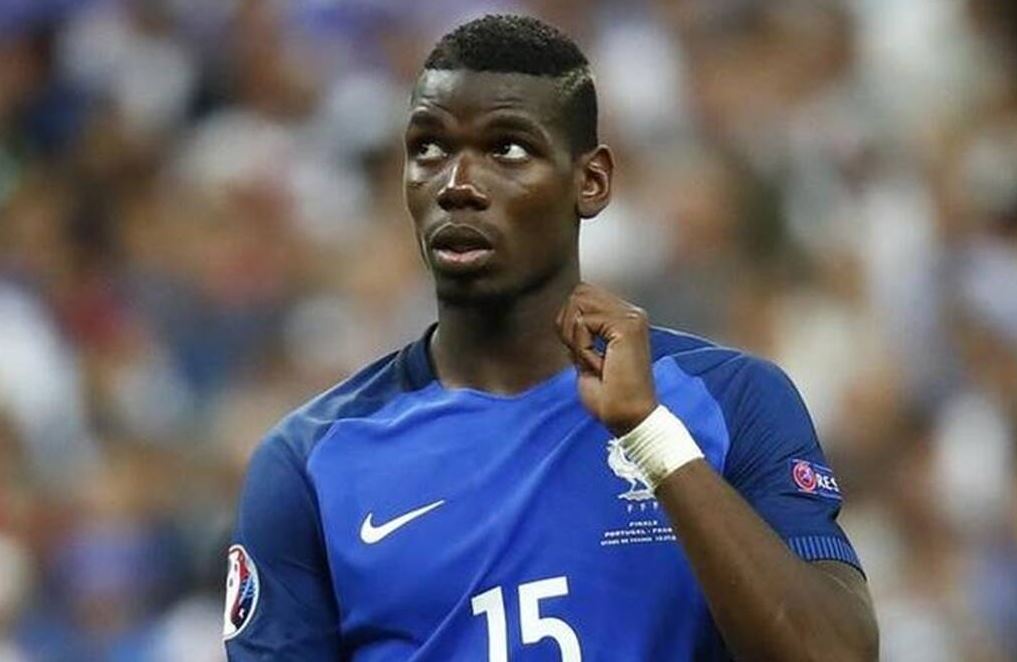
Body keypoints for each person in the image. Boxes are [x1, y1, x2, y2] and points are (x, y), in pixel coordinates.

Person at [224, 14, 878, 661]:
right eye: (429, 148)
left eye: (506, 149)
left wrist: (650, 436)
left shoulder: (729, 401)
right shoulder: (311, 461)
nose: (456, 185)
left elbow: (834, 654)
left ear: (590, 181)